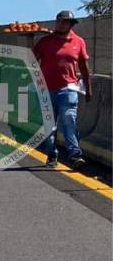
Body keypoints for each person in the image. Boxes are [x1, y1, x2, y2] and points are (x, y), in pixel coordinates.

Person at [33, 10, 92, 169]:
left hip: (68, 89)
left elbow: (84, 67)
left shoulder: (78, 42)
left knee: (69, 121)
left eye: (64, 21)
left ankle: (75, 155)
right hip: (46, 90)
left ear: (71, 24)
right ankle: (52, 154)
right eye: (58, 20)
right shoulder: (45, 41)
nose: (60, 23)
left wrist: (88, 87)